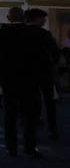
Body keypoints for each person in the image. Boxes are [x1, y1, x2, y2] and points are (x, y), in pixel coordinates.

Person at [0, 8, 43, 158]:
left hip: (9, 79)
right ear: (24, 17)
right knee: (30, 115)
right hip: (29, 79)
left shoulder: (1, 35)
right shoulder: (34, 34)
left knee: (10, 115)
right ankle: (29, 146)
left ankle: (11, 147)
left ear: (8, 18)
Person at [25, 8, 59, 142]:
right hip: (44, 72)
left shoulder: (23, 33)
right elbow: (54, 53)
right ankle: (52, 129)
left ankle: (31, 126)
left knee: (30, 101)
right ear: (37, 19)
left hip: (27, 72)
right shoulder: (45, 34)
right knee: (49, 102)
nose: (45, 20)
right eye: (43, 18)